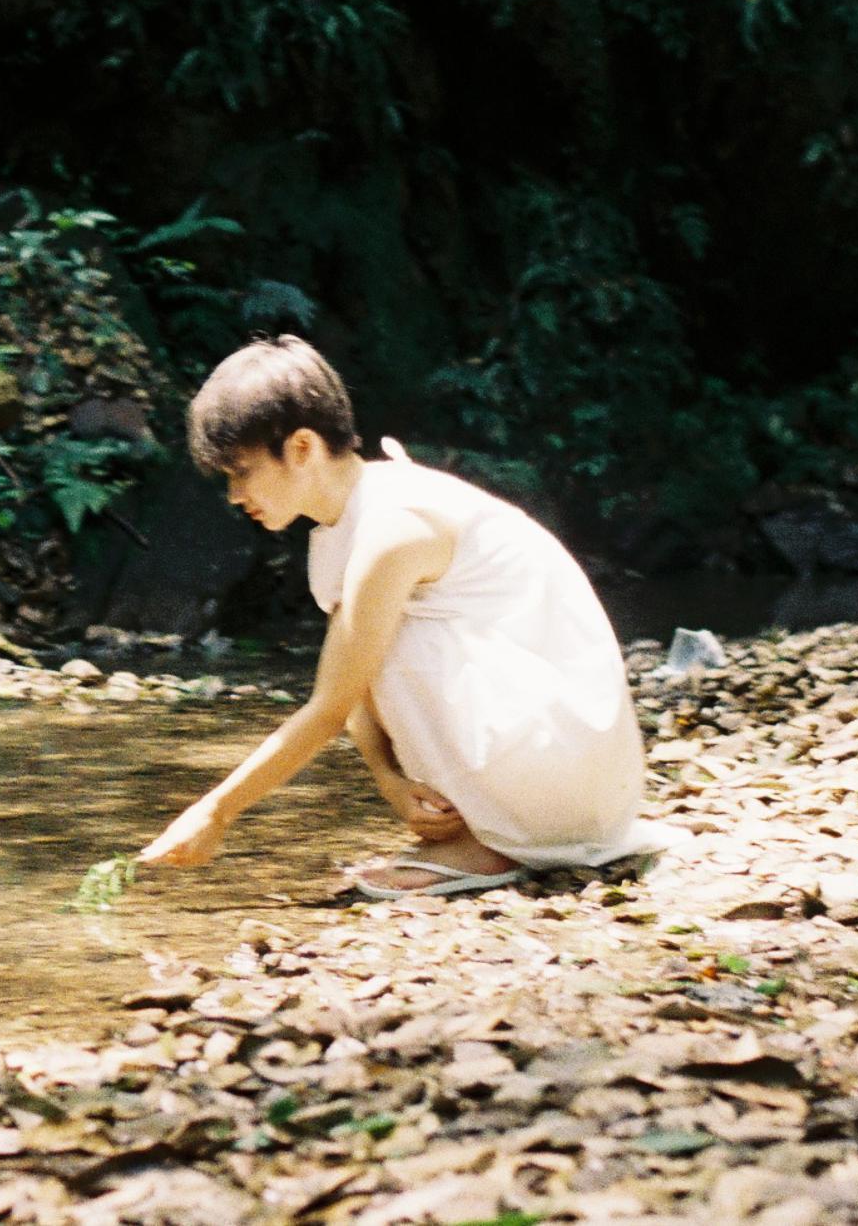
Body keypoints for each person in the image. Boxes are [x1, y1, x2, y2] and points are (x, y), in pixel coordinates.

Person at [138, 335, 664, 896]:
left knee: (384, 639)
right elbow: (352, 685)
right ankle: (494, 828)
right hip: (567, 769)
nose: (234, 494)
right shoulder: (344, 528)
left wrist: (215, 814)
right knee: (366, 637)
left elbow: (328, 706)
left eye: (241, 471)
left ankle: (503, 843)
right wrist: (390, 781)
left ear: (302, 447)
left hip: (567, 775)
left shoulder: (391, 528)